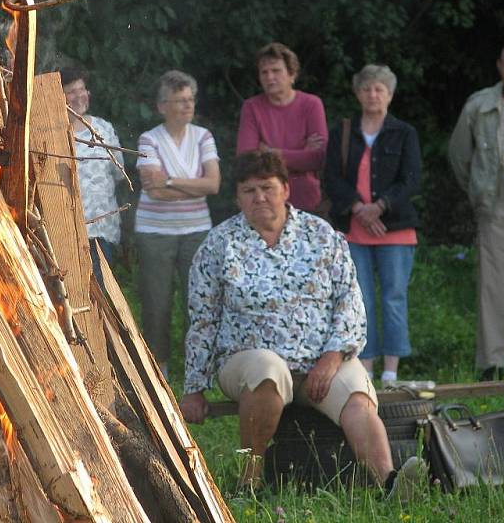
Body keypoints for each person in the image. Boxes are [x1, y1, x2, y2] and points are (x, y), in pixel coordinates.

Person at [179, 151, 426, 498]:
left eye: (267, 187)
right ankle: (249, 483)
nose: (259, 197)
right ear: (237, 198)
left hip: (321, 361)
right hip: (246, 359)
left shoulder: (321, 235)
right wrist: (194, 388)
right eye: (249, 191)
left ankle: (388, 483)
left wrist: (332, 357)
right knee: (267, 369)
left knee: (356, 395)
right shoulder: (219, 245)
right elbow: (203, 319)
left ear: (286, 190)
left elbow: (349, 303)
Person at [324, 65, 422, 386]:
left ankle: (391, 371)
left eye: (379, 89)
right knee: (359, 298)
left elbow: (411, 179)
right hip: (353, 229)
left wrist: (379, 207)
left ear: (390, 94)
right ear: (357, 93)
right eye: (366, 88)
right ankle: (364, 367)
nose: (373, 94)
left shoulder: (404, 132)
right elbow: (332, 178)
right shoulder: (343, 131)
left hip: (395, 229)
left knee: (394, 296)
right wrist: (358, 207)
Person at [135, 70, 221, 377]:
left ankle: (198, 365)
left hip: (197, 230)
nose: (187, 106)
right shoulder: (148, 139)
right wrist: (191, 185)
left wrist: (170, 179)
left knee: (198, 299)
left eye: (190, 100)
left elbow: (213, 185)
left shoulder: (203, 137)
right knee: (156, 301)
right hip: (155, 232)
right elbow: (153, 192)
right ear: (162, 106)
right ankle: (158, 366)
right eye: (179, 100)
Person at [449, 42, 504, 381]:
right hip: (496, 201)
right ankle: (492, 364)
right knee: (495, 284)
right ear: (498, 66)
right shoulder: (480, 105)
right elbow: (459, 155)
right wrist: (478, 190)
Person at [237, 42, 328, 214]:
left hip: (306, 201)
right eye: (264, 72)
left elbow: (319, 159)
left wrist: (269, 152)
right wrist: (301, 153)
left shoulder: (311, 105)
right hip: (264, 203)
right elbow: (246, 159)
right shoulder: (252, 107)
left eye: (276, 71)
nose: (269, 77)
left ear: (292, 74)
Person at [61, 68, 125, 283]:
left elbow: (118, 173)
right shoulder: (53, 133)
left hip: (100, 232)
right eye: (71, 91)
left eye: (82, 89)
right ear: (58, 96)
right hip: (65, 230)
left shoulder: (103, 129)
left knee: (99, 294)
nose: (79, 96)